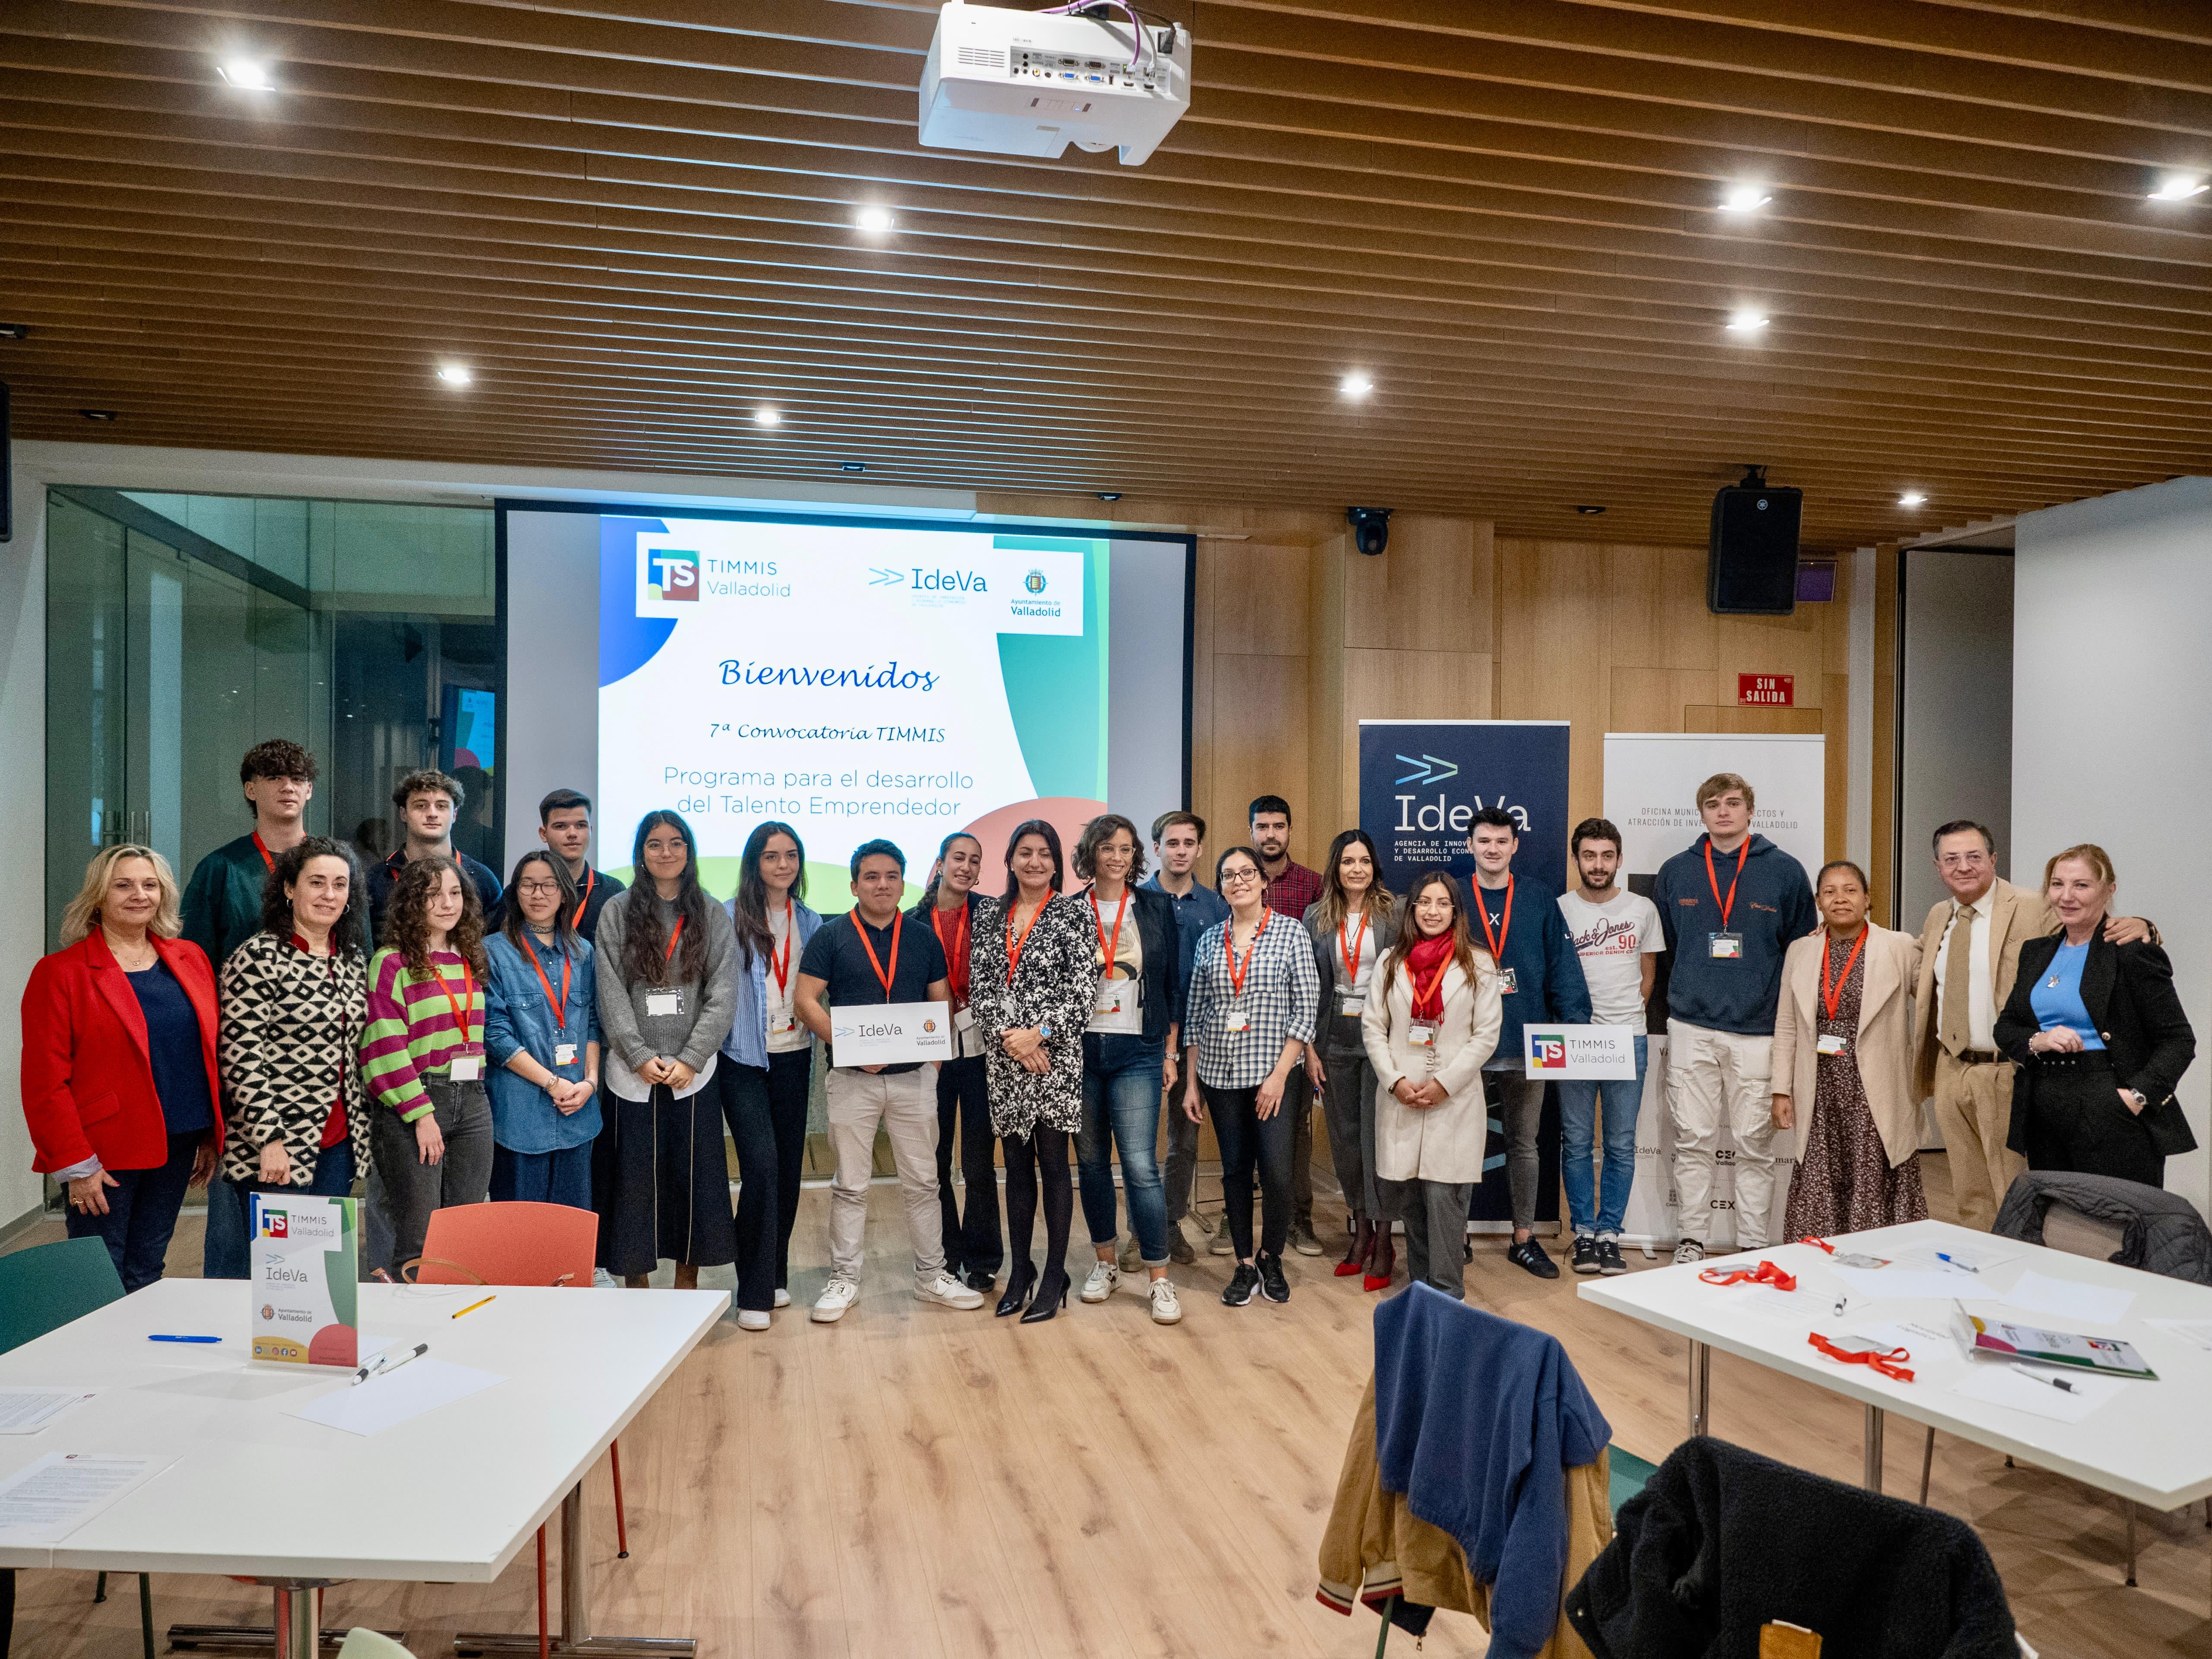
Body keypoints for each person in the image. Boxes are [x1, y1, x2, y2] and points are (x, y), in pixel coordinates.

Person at [1909, 821, 2152, 1232]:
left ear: (1993, 860)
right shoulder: (1939, 915)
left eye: (1974, 857)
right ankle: (1979, 1262)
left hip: (2010, 1070)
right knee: (1969, 1194)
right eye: (1951, 859)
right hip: (1952, 1069)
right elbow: (1917, 961)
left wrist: (2145, 926)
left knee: (2016, 1193)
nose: (1963, 867)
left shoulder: (2033, 905)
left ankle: (2021, 1261)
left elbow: (2091, 932)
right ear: (1938, 867)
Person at [795, 839, 984, 1321]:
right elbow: (806, 1001)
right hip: (851, 1080)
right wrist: (850, 1045)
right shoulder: (831, 936)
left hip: (914, 1080)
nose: (882, 885)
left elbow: (940, 1003)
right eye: (872, 877)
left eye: (892, 877)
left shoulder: (922, 938)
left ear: (904, 883)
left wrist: (933, 1064)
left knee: (924, 1182)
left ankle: (932, 1276)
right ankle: (844, 1279)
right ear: (854, 885)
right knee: (850, 1185)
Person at [21, 846, 221, 1292]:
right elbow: (44, 1082)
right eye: (123, 885)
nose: (139, 895)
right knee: (99, 1275)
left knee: (148, 1265)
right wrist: (75, 1165)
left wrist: (209, 1134)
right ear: (98, 896)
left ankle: (139, 1338)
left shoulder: (190, 958)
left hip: (179, 1138)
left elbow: (204, 1053)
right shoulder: (61, 973)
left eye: (150, 885)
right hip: (104, 1150)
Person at [1651, 773, 1818, 1265]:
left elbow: (1800, 951)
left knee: (1754, 1147)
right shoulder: (1676, 871)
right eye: (1712, 804)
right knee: (1693, 1141)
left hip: (1758, 1030)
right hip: (1691, 1027)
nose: (1722, 812)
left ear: (1750, 811)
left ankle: (1752, 1243)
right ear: (1701, 813)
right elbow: (1669, 949)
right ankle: (1691, 1240)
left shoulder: (1785, 871)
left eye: (1732, 803)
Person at [180, 738, 319, 1280]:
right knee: (237, 1209)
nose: (288, 786)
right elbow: (194, 965)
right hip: (243, 1053)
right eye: (273, 777)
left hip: (316, 1054)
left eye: (298, 778)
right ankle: (230, 1308)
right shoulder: (221, 868)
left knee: (309, 1214)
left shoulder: (333, 863)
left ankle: (303, 1310)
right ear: (250, 789)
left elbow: (358, 954)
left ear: (309, 790)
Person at [593, 811, 739, 1290]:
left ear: (689, 851)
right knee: (632, 1182)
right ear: (641, 853)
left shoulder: (711, 913)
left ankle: (685, 1285)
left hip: (693, 1072)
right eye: (655, 844)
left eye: (676, 843)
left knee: (692, 1181)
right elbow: (610, 990)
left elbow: (723, 992)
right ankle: (636, 1286)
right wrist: (636, 1053)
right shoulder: (617, 910)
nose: (666, 853)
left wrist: (692, 1057)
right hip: (631, 1070)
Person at [1995, 845, 2196, 1187]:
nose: (2066, 896)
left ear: (2109, 890)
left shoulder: (2132, 953)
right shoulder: (2036, 952)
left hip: (2110, 1104)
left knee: (2117, 1215)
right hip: (2043, 1107)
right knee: (2059, 1214)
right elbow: (2007, 1027)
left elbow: (2178, 1040)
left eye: (2082, 885)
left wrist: (2138, 1097)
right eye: (2057, 884)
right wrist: (2038, 1040)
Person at [967, 822, 1098, 1323]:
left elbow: (1082, 994)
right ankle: (1020, 1270)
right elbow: (979, 989)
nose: (1035, 862)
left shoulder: (1073, 914)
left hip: (1054, 1059)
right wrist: (1013, 1041)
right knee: (1016, 1168)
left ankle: (1054, 1274)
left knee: (1054, 1166)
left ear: (1056, 863)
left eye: (1045, 854)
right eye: (1025, 852)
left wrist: (1038, 1035)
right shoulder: (988, 915)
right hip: (1006, 1060)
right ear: (1010, 860)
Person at [1182, 844, 1320, 1307]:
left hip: (1274, 1076)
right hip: (1220, 1076)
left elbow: (1305, 1010)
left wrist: (1279, 1076)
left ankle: (1270, 1256)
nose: (1238, 881)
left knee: (1278, 1173)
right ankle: (1244, 1264)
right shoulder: (1209, 940)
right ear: (1221, 887)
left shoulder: (1290, 932)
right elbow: (1196, 1015)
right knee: (1236, 1172)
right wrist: (1191, 1082)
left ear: (1263, 881)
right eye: (1228, 875)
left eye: (1246, 873)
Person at [217, 839, 375, 1224]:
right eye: (317, 882)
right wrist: (269, 1139)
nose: (329, 895)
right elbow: (240, 1057)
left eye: (340, 885)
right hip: (276, 1144)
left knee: (324, 1257)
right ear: (290, 889)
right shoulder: (258, 957)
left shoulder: (353, 959)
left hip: (339, 1142)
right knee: (280, 1260)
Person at [1360, 869, 1502, 1299]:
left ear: (1456, 912)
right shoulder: (1391, 962)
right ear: (1412, 908)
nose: (1432, 911)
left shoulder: (1479, 964)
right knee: (1411, 1203)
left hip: (1452, 1103)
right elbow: (1373, 1027)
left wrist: (1444, 1083)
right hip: (1402, 1099)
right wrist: (1394, 1081)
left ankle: (1447, 1297)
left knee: (1445, 1202)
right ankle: (1422, 1292)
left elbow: (1486, 1036)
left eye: (1442, 903)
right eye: (1424, 902)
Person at [1463, 807, 1591, 1279]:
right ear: (1470, 845)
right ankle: (1456, 1236)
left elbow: (1563, 965)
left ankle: (1523, 1238)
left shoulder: (1538, 898)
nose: (1493, 849)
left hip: (1527, 1041)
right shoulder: (1453, 896)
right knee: (1461, 1143)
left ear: (1515, 846)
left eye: (1502, 841)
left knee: (1524, 1143)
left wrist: (1573, 1023)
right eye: (1484, 841)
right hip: (1466, 1046)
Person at [1772, 862, 1927, 1238]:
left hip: (1876, 1085)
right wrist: (1781, 1090)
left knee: (1875, 1166)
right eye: (1830, 892)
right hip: (1820, 1085)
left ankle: (1881, 1251)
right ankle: (1820, 1255)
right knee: (1819, 1168)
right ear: (1818, 902)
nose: (1840, 899)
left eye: (1850, 890)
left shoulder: (1899, 946)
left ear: (1868, 898)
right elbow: (1787, 1024)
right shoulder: (1801, 951)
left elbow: (1933, 1001)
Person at [1071, 814, 1183, 1325]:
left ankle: (1159, 1279)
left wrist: (1169, 1053)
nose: (1116, 857)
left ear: (1135, 855)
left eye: (1125, 849)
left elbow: (1170, 986)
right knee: (1092, 1163)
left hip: (1138, 1048)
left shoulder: (1155, 906)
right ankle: (1106, 1264)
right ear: (1091, 853)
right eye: (1106, 848)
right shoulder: (1070, 911)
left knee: (1139, 1164)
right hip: (1082, 1050)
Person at [363, 855, 496, 1277]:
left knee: (465, 1230)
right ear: (412, 901)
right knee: (419, 1237)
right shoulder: (392, 962)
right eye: (434, 894)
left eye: (455, 893)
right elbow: (384, 1045)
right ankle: (410, 1316)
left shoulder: (469, 957)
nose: (447, 903)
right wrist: (421, 1115)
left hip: (472, 1100)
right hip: (417, 1102)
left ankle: (453, 1316)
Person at [718, 820, 823, 1327]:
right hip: (741, 1057)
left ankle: (774, 1273)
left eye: (790, 855)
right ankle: (753, 1292)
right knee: (760, 1165)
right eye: (771, 856)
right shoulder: (727, 916)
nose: (783, 865)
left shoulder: (812, 920)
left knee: (786, 1171)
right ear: (753, 863)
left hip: (794, 1055)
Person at [1555, 817, 1663, 1276]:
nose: (1597, 865)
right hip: (1574, 1039)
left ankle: (1609, 1235)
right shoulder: (1560, 909)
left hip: (1627, 1039)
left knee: (1620, 1144)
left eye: (1606, 856)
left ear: (1619, 859)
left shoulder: (1642, 909)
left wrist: (1624, 1022)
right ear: (1576, 859)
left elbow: (1647, 977)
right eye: (1589, 856)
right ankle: (1583, 1232)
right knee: (1577, 1142)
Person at [1301, 828, 1397, 1289]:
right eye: (1347, 862)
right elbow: (1308, 986)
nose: (1356, 869)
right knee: (1345, 1140)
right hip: (1334, 1035)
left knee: (1377, 1140)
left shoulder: (1395, 912)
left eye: (1363, 861)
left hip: (1383, 1034)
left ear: (1374, 866)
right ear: (1335, 869)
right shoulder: (1316, 915)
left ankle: (1385, 1238)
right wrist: (1309, 1048)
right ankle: (1360, 1233)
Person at [911, 831, 1003, 1292]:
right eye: (958, 858)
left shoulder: (994, 914)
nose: (966, 867)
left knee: (980, 1161)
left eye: (974, 860)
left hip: (982, 1050)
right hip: (930, 1052)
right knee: (935, 1158)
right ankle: (945, 1254)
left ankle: (983, 1259)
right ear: (940, 864)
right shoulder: (912, 921)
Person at [483, 850, 600, 1212]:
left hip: (578, 1110)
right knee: (521, 1227)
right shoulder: (493, 952)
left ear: (564, 893)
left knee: (571, 1226)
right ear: (515, 892)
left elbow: (592, 1023)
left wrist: (591, 1082)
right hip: (520, 1116)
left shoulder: (583, 952)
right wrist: (552, 1083)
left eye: (549, 885)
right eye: (528, 885)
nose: (538, 894)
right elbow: (495, 1035)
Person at [1144, 810, 1230, 1263]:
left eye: (1188, 843)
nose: (1180, 851)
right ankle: (1141, 1230)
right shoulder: (1137, 901)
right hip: (1145, 1038)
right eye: (1172, 843)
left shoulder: (1217, 906)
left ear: (1199, 850)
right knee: (1139, 1145)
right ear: (1157, 847)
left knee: (1184, 1142)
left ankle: (1169, 1225)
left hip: (1202, 1042)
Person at [1249, 794, 1325, 1257]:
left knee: (1296, 1129)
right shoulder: (1238, 877)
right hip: (1243, 1032)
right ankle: (1235, 1217)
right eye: (1263, 827)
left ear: (1290, 831)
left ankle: (1300, 1219)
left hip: (1294, 1034)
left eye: (1278, 826)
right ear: (1251, 832)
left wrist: (1310, 1045)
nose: (1271, 834)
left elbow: (1316, 972)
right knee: (1243, 1128)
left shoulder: (1313, 886)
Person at [366, 768, 503, 942]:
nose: (432, 814)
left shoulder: (483, 880)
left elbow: (494, 948)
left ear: (454, 815)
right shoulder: (375, 880)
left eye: (441, 806)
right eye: (421, 806)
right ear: (404, 814)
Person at [537, 788, 626, 944]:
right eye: (561, 826)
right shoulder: (526, 892)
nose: (572, 833)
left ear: (591, 831)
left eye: (581, 825)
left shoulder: (613, 891)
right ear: (544, 834)